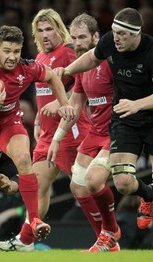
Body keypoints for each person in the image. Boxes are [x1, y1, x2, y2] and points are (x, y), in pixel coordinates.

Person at [53, 7, 153, 253]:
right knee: (123, 183)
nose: (116, 38)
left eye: (122, 34)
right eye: (114, 32)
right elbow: (92, 57)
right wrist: (68, 71)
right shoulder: (110, 43)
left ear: (136, 35)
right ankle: (147, 196)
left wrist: (137, 104)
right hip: (126, 121)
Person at [0, 25, 74, 252]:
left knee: (24, 159)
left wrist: (65, 104)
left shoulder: (26, 67)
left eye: (16, 51)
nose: (12, 57)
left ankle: (35, 219)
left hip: (9, 122)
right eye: (7, 51)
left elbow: (52, 78)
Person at [0, 8, 91, 252]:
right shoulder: (39, 58)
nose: (45, 34)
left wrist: (62, 102)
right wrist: (38, 119)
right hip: (47, 135)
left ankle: (107, 234)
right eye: (40, 30)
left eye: (50, 29)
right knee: (36, 186)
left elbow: (87, 85)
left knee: (84, 187)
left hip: (71, 131)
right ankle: (26, 241)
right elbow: (42, 94)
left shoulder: (69, 52)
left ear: (59, 29)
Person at [47, 13, 120, 252]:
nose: (77, 43)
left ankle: (111, 232)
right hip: (96, 133)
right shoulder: (81, 68)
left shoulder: (111, 62)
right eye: (74, 38)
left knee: (93, 181)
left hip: (117, 132)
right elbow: (75, 107)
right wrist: (57, 139)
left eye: (82, 37)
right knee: (77, 186)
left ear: (96, 37)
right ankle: (106, 240)